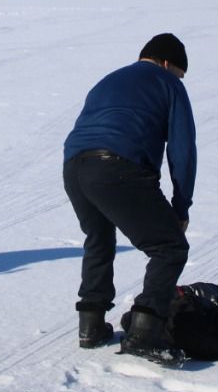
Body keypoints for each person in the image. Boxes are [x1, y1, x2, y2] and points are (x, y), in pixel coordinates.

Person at [62, 33, 196, 365]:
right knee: (170, 247)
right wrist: (181, 206)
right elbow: (183, 150)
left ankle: (91, 325)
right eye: (179, 72)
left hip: (74, 166)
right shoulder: (168, 83)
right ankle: (145, 331)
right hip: (117, 165)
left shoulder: (108, 79)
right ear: (167, 63)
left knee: (99, 238)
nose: (178, 79)